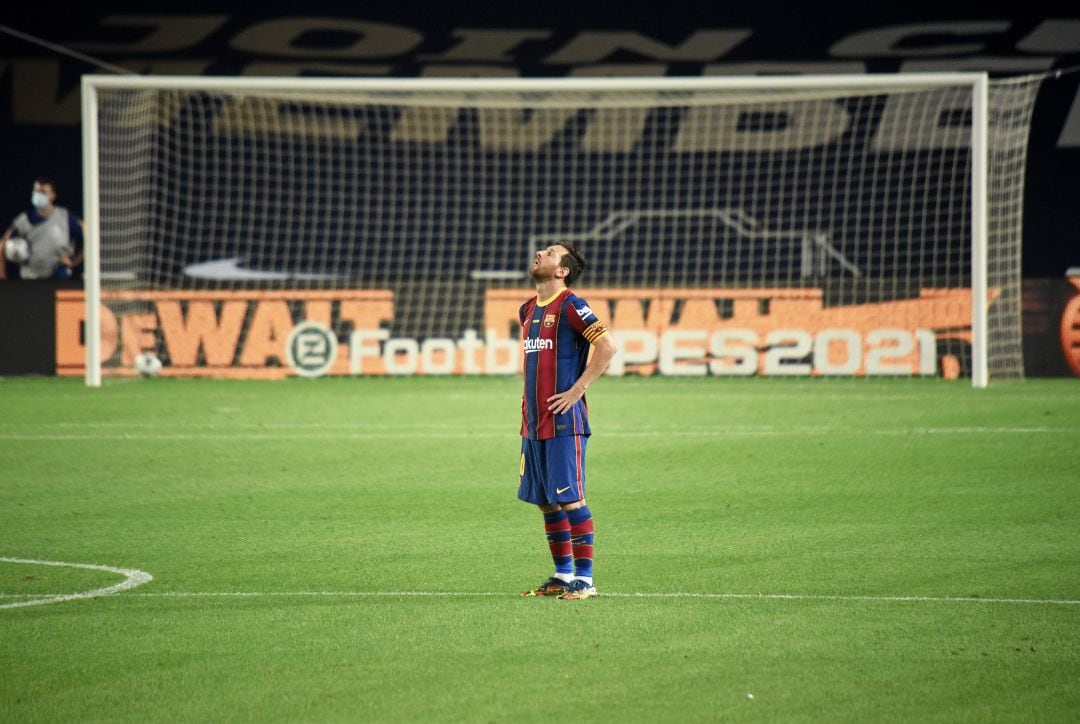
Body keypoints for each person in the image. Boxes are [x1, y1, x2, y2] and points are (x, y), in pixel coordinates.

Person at [518, 242, 618, 601]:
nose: (540, 253)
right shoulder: (528, 308)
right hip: (533, 422)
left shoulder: (572, 305)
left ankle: (586, 580)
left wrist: (578, 389)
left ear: (562, 271)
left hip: (564, 421)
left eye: (549, 252)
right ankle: (562, 576)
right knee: (546, 501)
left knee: (571, 499)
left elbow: (606, 346)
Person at [0, 177, 84, 281]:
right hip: (30, 282)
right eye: (36, 191)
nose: (38, 195)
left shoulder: (66, 218)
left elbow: (90, 237)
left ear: (53, 195)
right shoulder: (24, 220)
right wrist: (2, 275)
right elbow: (3, 244)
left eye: (43, 192)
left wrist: (74, 262)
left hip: (59, 280)